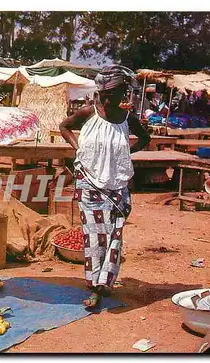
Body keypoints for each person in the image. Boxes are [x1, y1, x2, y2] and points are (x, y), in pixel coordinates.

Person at [59, 65, 151, 308]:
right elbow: (63, 126)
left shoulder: (128, 119)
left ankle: (105, 282)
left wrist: (125, 154)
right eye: (111, 94)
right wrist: (78, 148)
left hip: (118, 187)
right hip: (89, 183)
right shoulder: (89, 113)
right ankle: (94, 286)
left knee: (114, 237)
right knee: (95, 237)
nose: (116, 99)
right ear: (102, 94)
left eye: (121, 94)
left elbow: (145, 138)